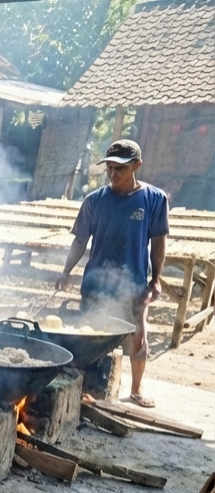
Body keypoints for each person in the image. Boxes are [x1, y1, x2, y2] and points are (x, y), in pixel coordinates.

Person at [57, 139, 168, 408]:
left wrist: (155, 280)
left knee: (138, 338)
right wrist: (66, 271)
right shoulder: (94, 201)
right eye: (109, 167)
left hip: (134, 284)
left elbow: (158, 241)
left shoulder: (154, 199)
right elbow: (80, 241)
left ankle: (136, 389)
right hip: (96, 283)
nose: (113, 173)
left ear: (136, 165)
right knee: (89, 339)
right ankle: (85, 389)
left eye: (120, 168)